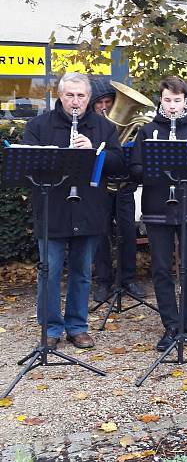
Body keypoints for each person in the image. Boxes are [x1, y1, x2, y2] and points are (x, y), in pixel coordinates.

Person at [22, 72, 123, 349]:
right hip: (52, 207)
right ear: (60, 95)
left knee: (82, 272)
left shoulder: (103, 128)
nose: (75, 101)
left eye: (81, 96)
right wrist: (55, 155)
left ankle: (77, 326)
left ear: (89, 98)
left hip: (88, 207)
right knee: (50, 271)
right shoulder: (39, 125)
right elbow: (26, 162)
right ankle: (51, 329)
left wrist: (94, 152)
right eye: (70, 95)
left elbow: (119, 163)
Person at [130, 76, 187, 352]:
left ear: (185, 101)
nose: (173, 106)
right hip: (157, 207)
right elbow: (136, 169)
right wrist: (158, 167)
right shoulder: (148, 131)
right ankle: (171, 326)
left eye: (178, 101)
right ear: (161, 101)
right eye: (168, 100)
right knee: (162, 269)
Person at [89, 77, 144, 303]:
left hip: (123, 186)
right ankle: (103, 281)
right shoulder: (88, 127)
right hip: (99, 188)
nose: (104, 107)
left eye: (108, 102)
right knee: (100, 234)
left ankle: (128, 278)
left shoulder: (131, 125)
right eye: (99, 103)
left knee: (128, 233)